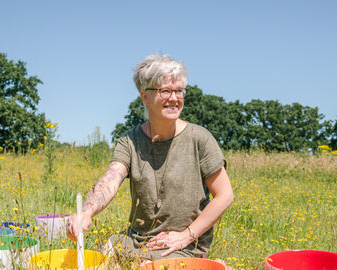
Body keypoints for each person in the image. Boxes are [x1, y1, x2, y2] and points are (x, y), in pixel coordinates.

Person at [66, 54, 233, 263]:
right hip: (137, 240)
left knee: (148, 266)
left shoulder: (200, 138)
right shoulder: (130, 141)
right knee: (99, 258)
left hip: (182, 245)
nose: (174, 98)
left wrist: (186, 235)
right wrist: (86, 212)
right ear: (144, 96)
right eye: (165, 91)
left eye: (179, 91)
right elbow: (110, 181)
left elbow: (225, 195)